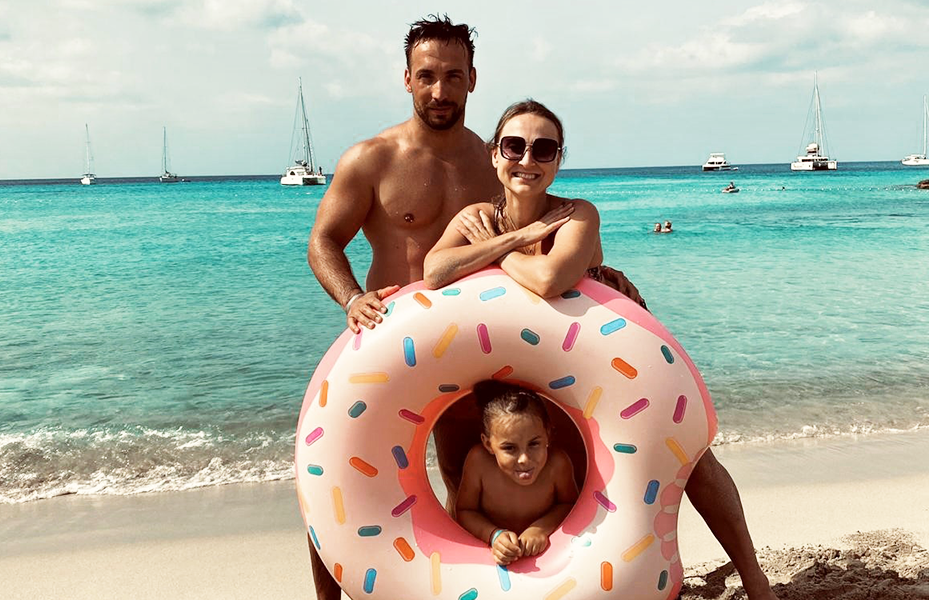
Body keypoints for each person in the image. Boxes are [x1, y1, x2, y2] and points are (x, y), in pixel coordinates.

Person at [308, 15, 774, 600]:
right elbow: (324, 241)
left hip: (526, 348)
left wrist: (605, 279)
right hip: (406, 351)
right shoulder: (370, 160)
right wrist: (352, 298)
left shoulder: (497, 158)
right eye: (427, 75)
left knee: (580, 474)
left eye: (454, 76)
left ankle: (746, 577)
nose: (440, 90)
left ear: (473, 80)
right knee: (347, 466)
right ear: (406, 78)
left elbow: (554, 234)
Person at [423, 99, 778, 600]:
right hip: (522, 368)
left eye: (544, 148)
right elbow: (434, 272)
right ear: (493, 154)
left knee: (692, 456)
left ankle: (753, 576)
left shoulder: (576, 215)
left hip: (599, 361)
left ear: (558, 159)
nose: (528, 159)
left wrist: (492, 253)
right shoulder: (475, 217)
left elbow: (548, 280)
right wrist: (518, 239)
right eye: (514, 146)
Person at [455, 380, 578, 566]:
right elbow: (465, 510)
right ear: (488, 444)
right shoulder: (478, 461)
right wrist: (494, 535)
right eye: (509, 448)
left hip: (547, 558)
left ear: (548, 434)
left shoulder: (557, 464)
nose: (524, 459)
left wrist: (540, 529)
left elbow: (569, 504)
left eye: (534, 444)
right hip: (488, 547)